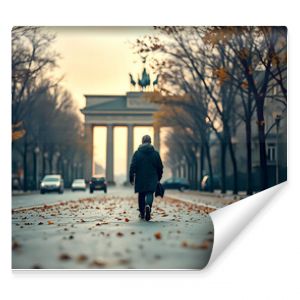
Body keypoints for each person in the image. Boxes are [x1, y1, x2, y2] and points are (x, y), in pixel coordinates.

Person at [129, 134, 163, 221]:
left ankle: (142, 212)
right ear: (150, 142)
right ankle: (148, 205)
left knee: (141, 194)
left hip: (140, 177)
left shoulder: (137, 153)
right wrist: (159, 177)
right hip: (152, 177)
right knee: (150, 193)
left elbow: (133, 166)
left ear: (142, 142)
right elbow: (160, 166)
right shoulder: (155, 154)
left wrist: (131, 177)